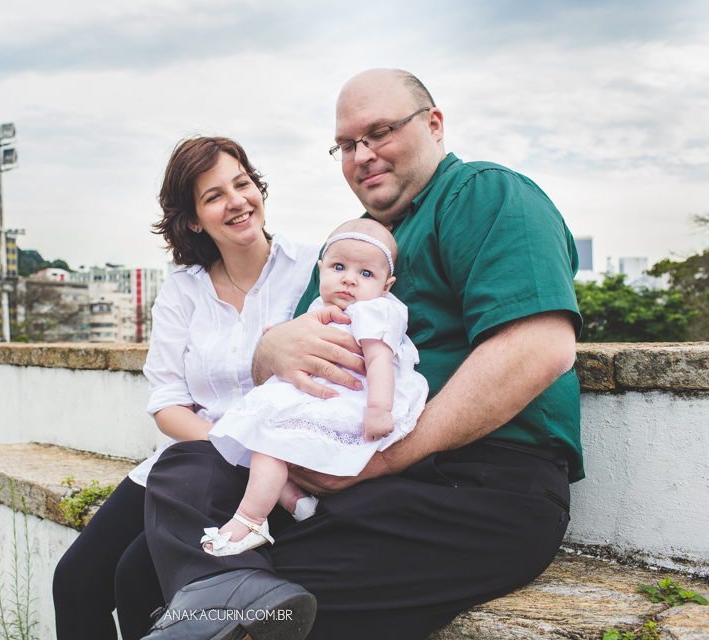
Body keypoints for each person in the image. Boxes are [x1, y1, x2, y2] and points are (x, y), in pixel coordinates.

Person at [139, 68, 583, 640]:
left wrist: (378, 460)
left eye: (380, 132)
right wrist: (270, 351)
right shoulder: (356, 245)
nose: (363, 154)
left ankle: (231, 606)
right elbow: (279, 354)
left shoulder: (484, 193)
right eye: (347, 144)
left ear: (434, 125)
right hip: (350, 473)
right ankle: (225, 594)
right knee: (178, 481)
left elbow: (540, 349)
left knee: (229, 611)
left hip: (473, 481)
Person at [51, 135, 320, 639]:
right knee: (75, 581)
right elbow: (167, 402)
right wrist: (224, 447)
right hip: (193, 459)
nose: (237, 201)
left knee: (137, 580)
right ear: (194, 219)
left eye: (242, 184)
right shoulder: (183, 288)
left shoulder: (313, 267)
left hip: (274, 469)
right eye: (214, 195)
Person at [202, 218, 429, 556]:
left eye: (366, 274)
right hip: (317, 393)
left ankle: (251, 519)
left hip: (352, 399)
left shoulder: (375, 311)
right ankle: (297, 503)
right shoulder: (324, 306)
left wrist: (379, 410)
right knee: (261, 443)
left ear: (386, 285)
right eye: (339, 266)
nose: (350, 279)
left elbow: (380, 360)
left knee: (269, 443)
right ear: (321, 269)